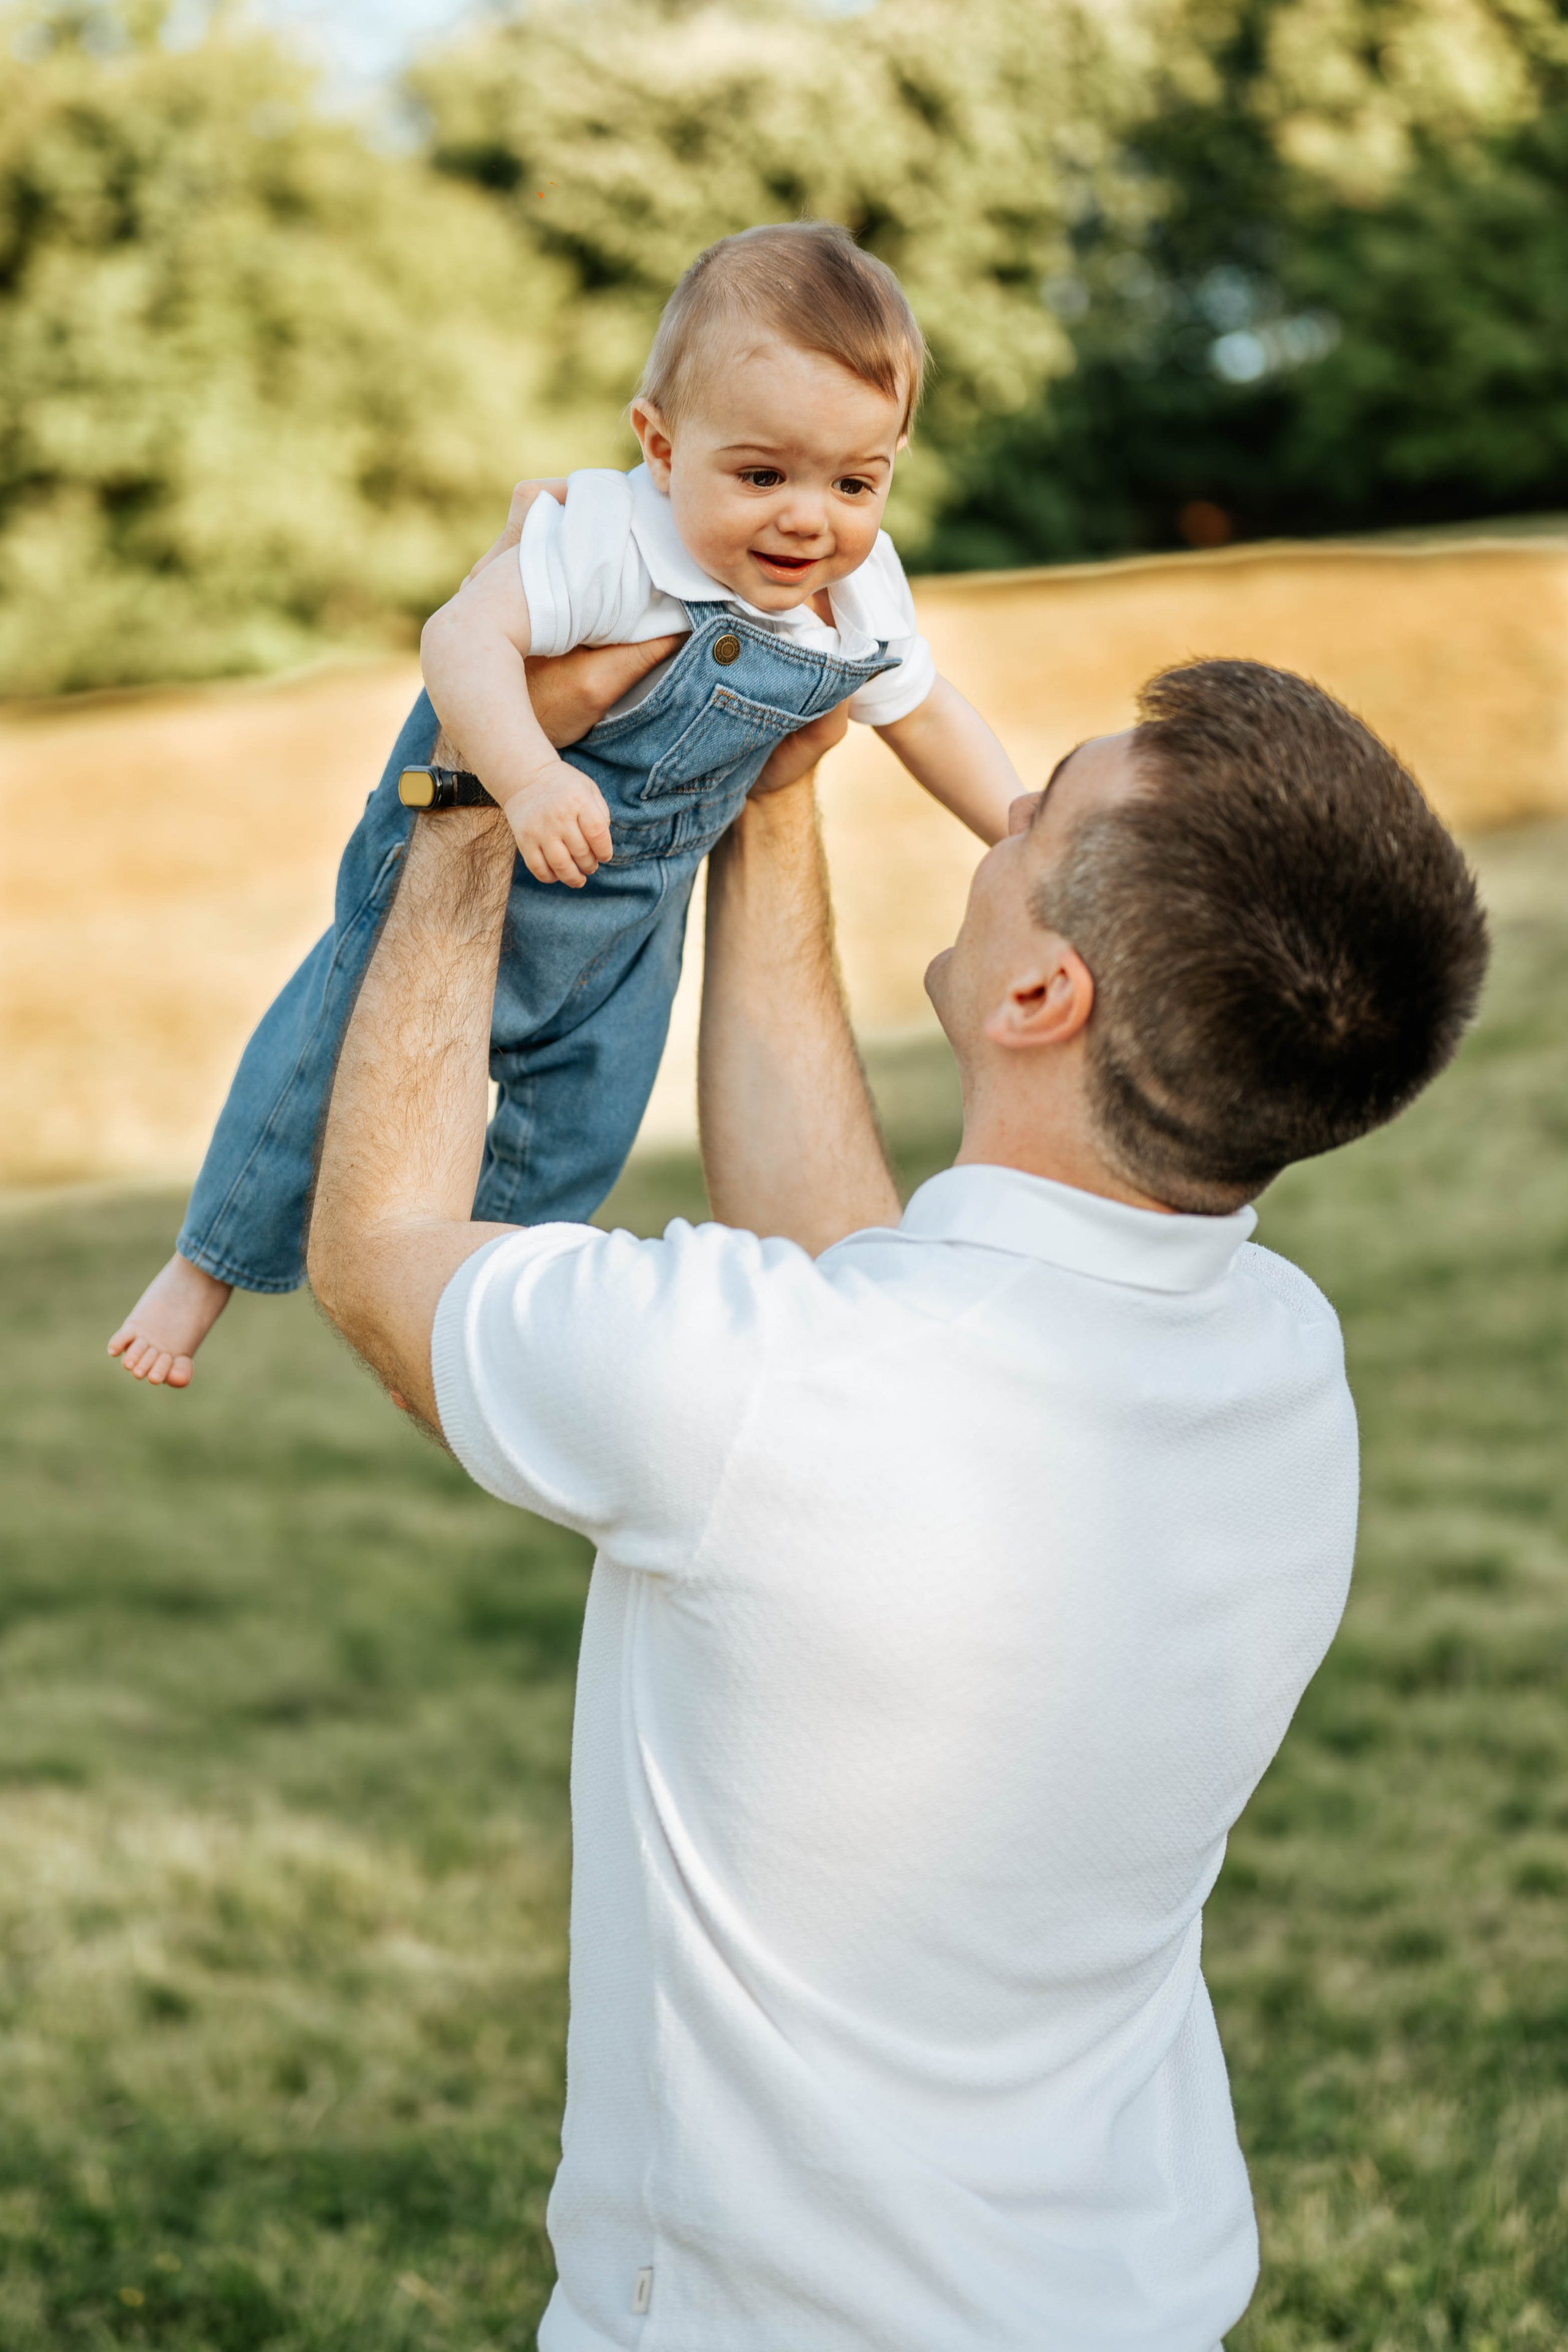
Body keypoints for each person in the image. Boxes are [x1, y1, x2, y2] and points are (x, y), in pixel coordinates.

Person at [304, 652, 1487, 2351]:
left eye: (1043, 811)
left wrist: (480, 784)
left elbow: (378, 1258)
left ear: (1040, 998)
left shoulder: (775, 1395)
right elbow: (853, 1299)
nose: (1001, 813)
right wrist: (772, 807)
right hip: (1125, 2300)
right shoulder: (1285, 1361)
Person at [108, 220, 1021, 1389]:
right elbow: (462, 638)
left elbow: (929, 712)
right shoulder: (604, 538)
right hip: (487, 833)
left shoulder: (860, 593)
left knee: (591, 1110)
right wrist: (529, 775)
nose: (810, 519)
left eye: (856, 481)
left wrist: (1022, 823)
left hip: (634, 907)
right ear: (659, 443)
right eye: (762, 476)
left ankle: (484, 1300)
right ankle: (206, 1266)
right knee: (323, 1054)